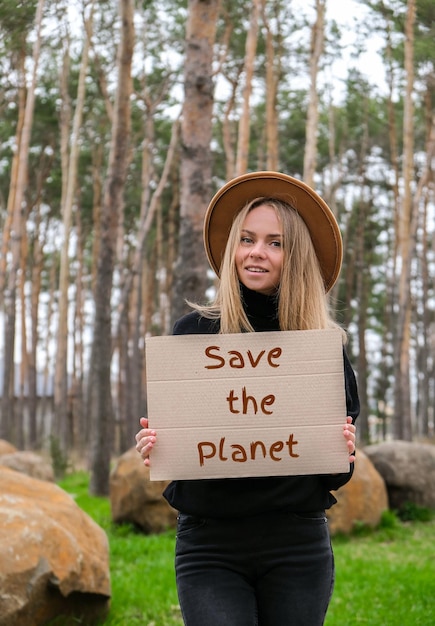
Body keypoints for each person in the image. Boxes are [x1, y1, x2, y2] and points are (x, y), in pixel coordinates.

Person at [136, 171, 359, 626]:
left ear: (294, 256)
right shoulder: (193, 334)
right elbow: (184, 444)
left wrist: (343, 449)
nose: (257, 252)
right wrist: (159, 446)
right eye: (247, 239)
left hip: (296, 543)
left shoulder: (320, 347)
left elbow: (336, 471)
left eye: (275, 243)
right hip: (209, 545)